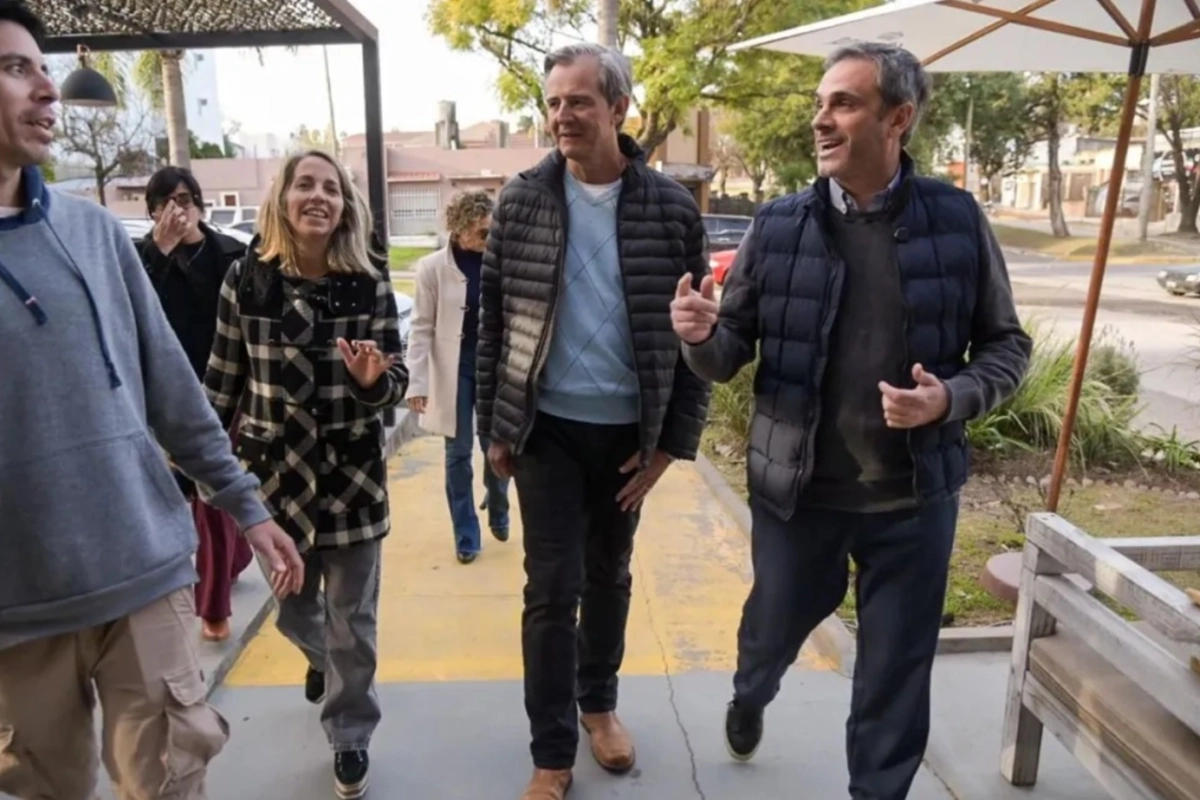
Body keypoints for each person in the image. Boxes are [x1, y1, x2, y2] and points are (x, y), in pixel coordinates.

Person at [670, 42, 1033, 799]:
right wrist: (700, 336)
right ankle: (751, 692)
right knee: (771, 630)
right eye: (820, 103)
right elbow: (728, 353)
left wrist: (949, 398)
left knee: (895, 672)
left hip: (914, 498)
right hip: (798, 496)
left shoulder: (956, 219)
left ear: (898, 118)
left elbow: (1006, 346)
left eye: (843, 103)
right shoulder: (779, 224)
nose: (821, 120)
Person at [0, 4, 304, 799]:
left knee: (172, 782)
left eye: (43, 69)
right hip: (18, 609)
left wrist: (248, 507)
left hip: (145, 572)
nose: (46, 90)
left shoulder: (95, 235)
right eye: (15, 69)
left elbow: (173, 388)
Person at [477, 42, 712, 800]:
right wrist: (494, 427)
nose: (562, 115)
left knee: (609, 575)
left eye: (578, 101)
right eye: (553, 102)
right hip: (545, 431)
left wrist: (671, 446)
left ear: (617, 108)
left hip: (626, 439)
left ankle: (599, 705)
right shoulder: (521, 201)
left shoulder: (671, 208)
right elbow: (492, 323)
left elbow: (698, 336)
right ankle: (551, 752)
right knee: (551, 589)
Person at [204, 149, 407, 799]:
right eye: (305, 184)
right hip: (275, 484)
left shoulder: (367, 280)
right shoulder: (245, 281)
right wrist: (195, 470)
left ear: (345, 206)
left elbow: (396, 381)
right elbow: (221, 385)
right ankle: (325, 662)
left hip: (353, 479)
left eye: (332, 188)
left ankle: (349, 732)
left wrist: (374, 383)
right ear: (282, 198)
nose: (319, 196)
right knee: (294, 614)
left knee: (354, 621)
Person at [139, 165, 255, 642]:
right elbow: (128, 314)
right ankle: (236, 556)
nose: (177, 211)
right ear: (152, 211)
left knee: (212, 497)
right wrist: (159, 252)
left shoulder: (231, 254)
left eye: (185, 200)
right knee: (180, 496)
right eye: (166, 203)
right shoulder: (140, 259)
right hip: (163, 395)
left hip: (223, 392)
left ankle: (213, 607)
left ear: (200, 204)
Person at [405, 189, 511, 564]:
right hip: (454, 369)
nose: (489, 238)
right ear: (461, 228)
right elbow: (420, 328)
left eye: (492, 231)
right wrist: (417, 382)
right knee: (458, 453)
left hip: (494, 367)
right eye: (483, 232)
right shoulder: (432, 268)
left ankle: (498, 503)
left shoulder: (501, 261)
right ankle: (466, 534)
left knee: (498, 445)